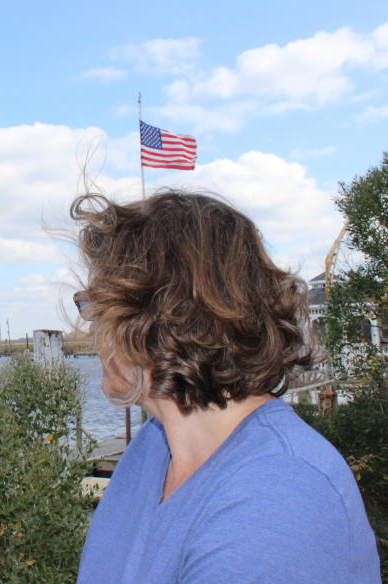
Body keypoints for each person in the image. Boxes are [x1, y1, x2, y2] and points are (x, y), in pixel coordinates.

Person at [71, 191, 380, 583]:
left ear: (160, 318)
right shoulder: (150, 451)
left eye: (97, 305)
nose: (89, 327)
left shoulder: (278, 495)